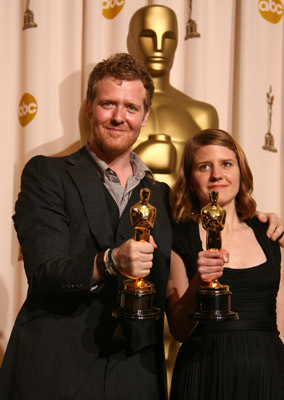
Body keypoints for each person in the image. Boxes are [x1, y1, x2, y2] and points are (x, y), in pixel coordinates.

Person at [0, 53, 172, 400]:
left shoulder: (163, 195)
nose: (119, 117)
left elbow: (210, 232)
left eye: (131, 107)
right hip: (56, 370)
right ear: (88, 108)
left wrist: (263, 223)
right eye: (108, 103)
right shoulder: (47, 175)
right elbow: (45, 272)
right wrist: (110, 261)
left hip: (136, 375)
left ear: (145, 116)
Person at [166, 129, 284, 400]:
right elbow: (179, 330)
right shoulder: (179, 237)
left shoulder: (270, 233)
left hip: (268, 374)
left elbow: (281, 323)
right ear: (190, 180)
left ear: (240, 172)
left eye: (226, 164)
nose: (216, 175)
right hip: (204, 373)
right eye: (203, 166)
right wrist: (200, 282)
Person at [80, 5, 219, 187]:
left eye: (168, 37)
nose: (159, 47)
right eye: (148, 35)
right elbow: (90, 174)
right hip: (117, 211)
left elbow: (214, 182)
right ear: (131, 41)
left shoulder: (202, 114)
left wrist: (245, 214)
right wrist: (144, 156)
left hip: (180, 214)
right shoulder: (100, 108)